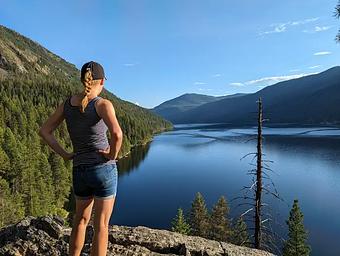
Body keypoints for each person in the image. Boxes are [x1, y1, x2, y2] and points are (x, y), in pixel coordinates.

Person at [39, 61, 123, 256]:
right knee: (101, 225)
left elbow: (44, 131)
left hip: (79, 170)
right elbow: (117, 135)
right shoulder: (102, 104)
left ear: (82, 79)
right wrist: (111, 155)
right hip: (103, 170)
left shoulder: (67, 104)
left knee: (80, 221)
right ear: (102, 81)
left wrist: (65, 154)